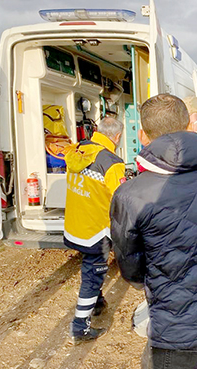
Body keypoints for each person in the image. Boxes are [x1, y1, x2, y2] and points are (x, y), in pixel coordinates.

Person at [110, 94, 197, 369]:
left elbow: (130, 266)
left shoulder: (130, 194)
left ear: (142, 135)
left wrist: (161, 281)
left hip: (176, 332)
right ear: (189, 124)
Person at [64, 117, 126, 343]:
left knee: (90, 267)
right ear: (117, 136)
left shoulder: (79, 149)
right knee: (93, 274)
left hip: (75, 225)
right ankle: (80, 327)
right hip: (96, 231)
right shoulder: (111, 161)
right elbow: (120, 198)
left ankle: (98, 302)